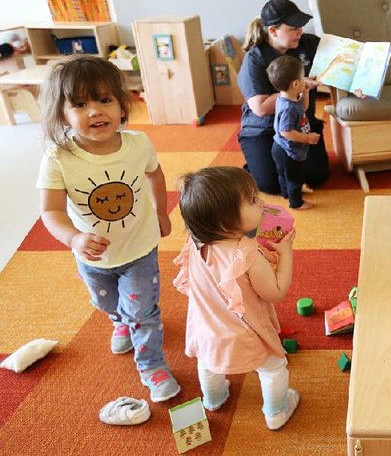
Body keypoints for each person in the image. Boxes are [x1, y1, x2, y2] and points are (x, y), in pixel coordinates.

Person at [37, 55, 181, 401]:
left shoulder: (137, 144)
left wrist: (161, 211)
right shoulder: (59, 157)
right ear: (62, 114)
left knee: (144, 312)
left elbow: (154, 173)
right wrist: (74, 237)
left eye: (104, 100)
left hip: (139, 248)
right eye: (80, 104)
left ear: (121, 105)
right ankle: (120, 319)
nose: (95, 112)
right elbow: (50, 210)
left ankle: (152, 365)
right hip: (93, 257)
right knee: (106, 303)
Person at [173, 166, 299, 429]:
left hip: (207, 328)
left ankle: (214, 398)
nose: (262, 202)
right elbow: (276, 292)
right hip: (246, 334)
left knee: (208, 364)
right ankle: (276, 411)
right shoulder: (248, 255)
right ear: (225, 224)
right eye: (253, 200)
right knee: (273, 367)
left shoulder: (195, 243)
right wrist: (285, 253)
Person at [238, 0, 329, 194]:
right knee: (270, 185)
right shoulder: (255, 59)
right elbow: (260, 107)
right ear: (273, 31)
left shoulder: (309, 44)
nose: (300, 31)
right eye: (293, 28)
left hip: (301, 123)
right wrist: (299, 87)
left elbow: (342, 59)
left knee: (317, 176)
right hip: (263, 130)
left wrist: (360, 83)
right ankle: (255, 165)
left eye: (301, 26)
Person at [268, 55, 320, 210]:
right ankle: (296, 202)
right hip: (288, 151)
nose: (305, 80)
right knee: (294, 177)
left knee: (284, 175)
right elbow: (286, 132)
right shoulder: (288, 108)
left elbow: (302, 109)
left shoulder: (287, 99)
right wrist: (307, 138)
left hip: (279, 147)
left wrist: (305, 93)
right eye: (303, 78)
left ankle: (286, 193)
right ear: (295, 83)